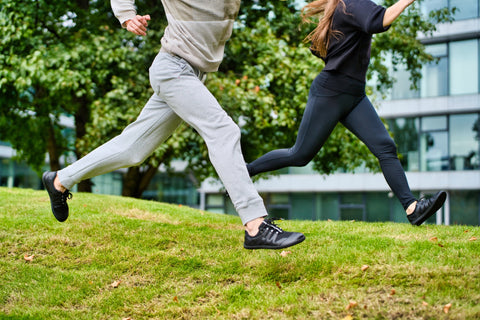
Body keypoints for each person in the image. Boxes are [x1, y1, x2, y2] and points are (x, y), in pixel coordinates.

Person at [42, 0, 305, 250]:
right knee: (223, 131)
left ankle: (60, 180)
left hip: (190, 72)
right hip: (174, 68)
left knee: (133, 148)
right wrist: (126, 16)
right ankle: (255, 224)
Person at [246, 0, 446, 226]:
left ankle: (412, 209)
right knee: (299, 155)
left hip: (354, 94)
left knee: (385, 147)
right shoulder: (351, 2)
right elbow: (382, 20)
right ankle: (244, 172)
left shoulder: (343, 6)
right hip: (331, 92)